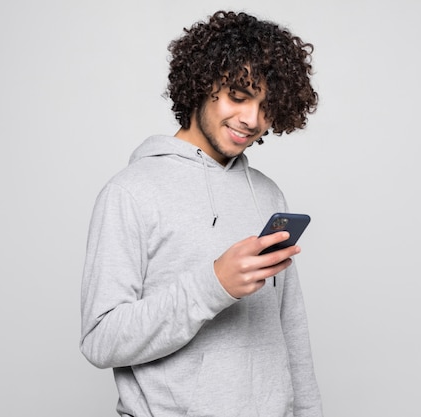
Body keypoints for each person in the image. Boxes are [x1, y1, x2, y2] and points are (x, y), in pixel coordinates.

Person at [80, 10, 323, 417]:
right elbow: (100, 339)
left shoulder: (267, 194)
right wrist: (213, 285)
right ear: (201, 84)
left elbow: (290, 327)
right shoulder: (130, 193)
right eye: (238, 97)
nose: (252, 120)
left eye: (267, 106)